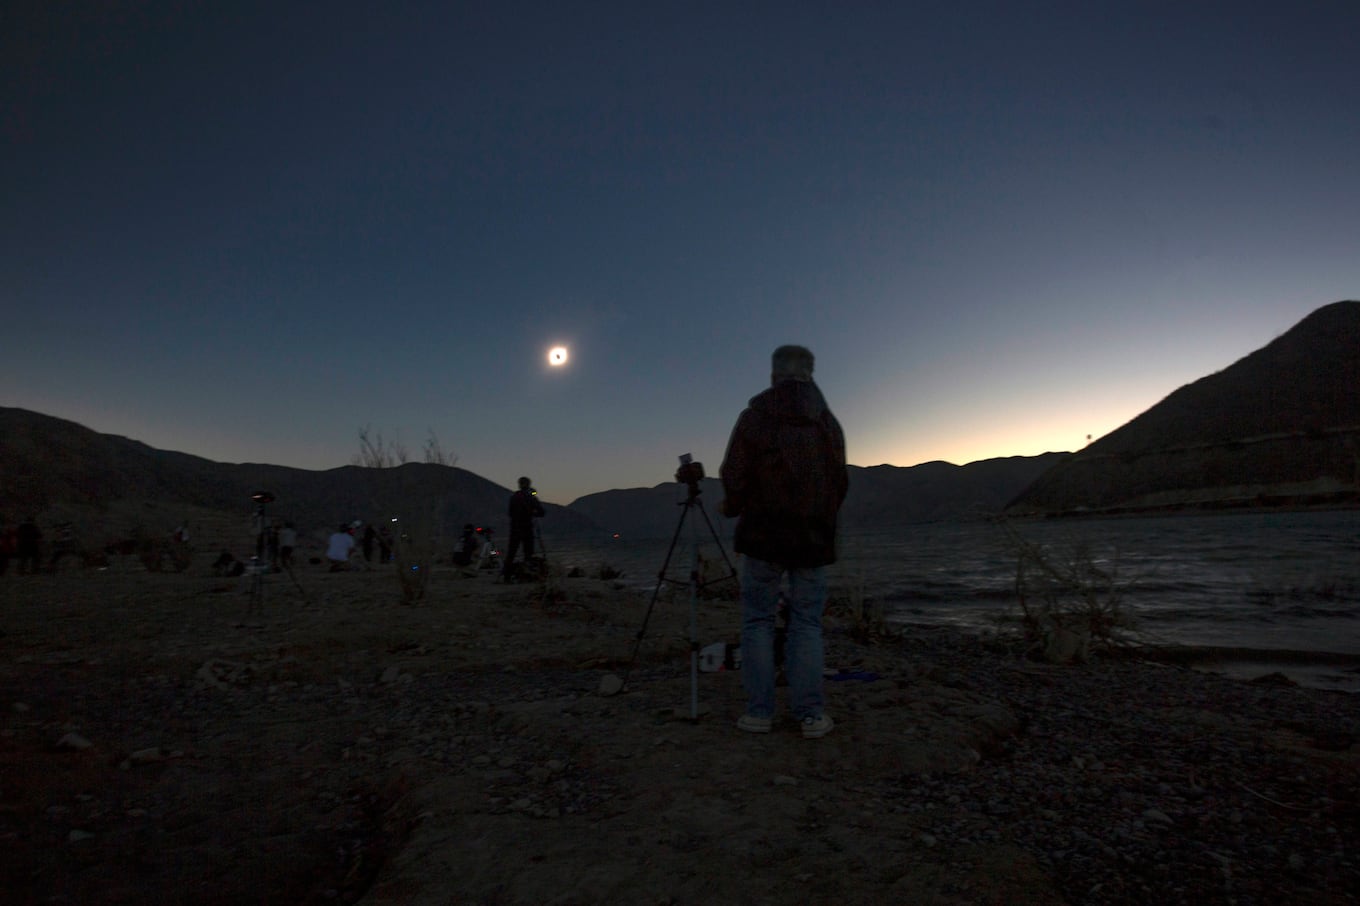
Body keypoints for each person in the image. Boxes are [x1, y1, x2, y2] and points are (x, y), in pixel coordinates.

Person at [719, 345, 848, 739]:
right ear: (810, 374)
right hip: (811, 539)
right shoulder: (826, 424)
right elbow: (839, 482)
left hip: (761, 536)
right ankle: (810, 714)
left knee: (757, 621)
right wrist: (822, 520)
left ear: (774, 374)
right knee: (807, 625)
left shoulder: (754, 420)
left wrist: (733, 506)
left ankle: (760, 713)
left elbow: (733, 474)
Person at [502, 476, 544, 581]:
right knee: (528, 553)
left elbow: (510, 513)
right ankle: (526, 574)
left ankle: (506, 577)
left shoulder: (514, 497)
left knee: (511, 553)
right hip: (527, 528)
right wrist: (533, 512)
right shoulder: (531, 497)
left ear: (519, 484)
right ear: (529, 485)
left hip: (515, 528)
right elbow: (541, 512)